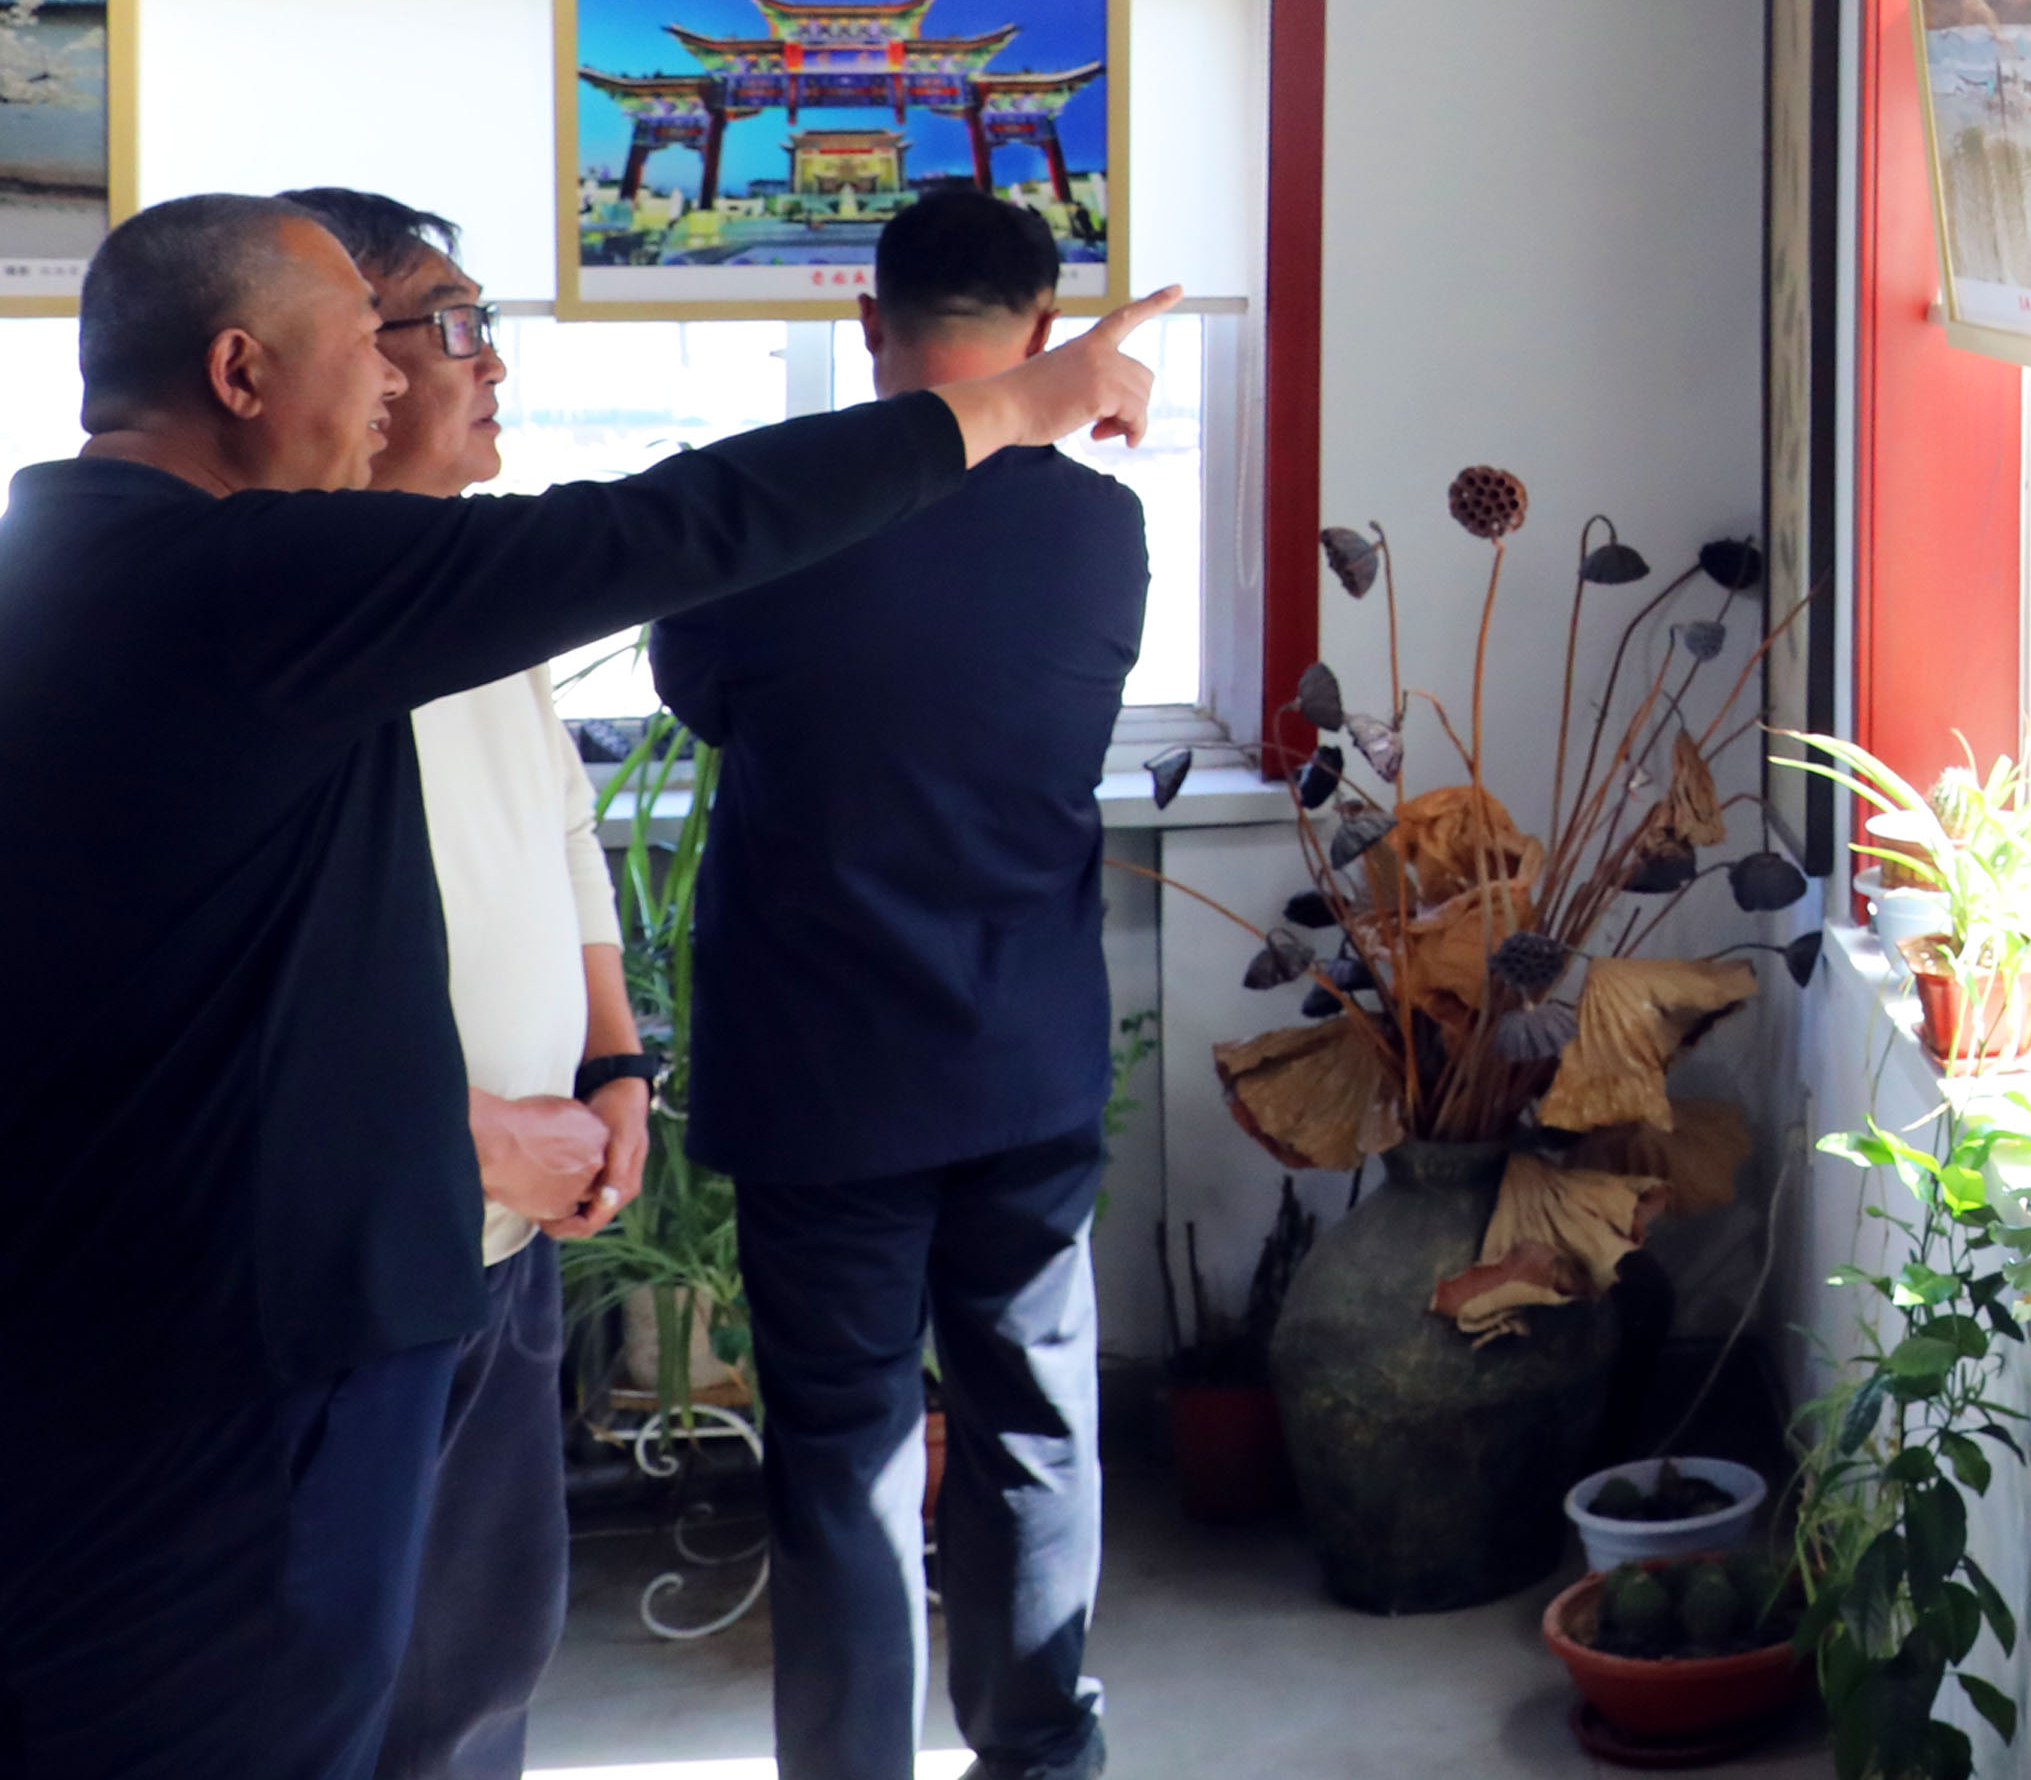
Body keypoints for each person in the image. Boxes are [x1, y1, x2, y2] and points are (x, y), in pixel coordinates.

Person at [0, 191, 1174, 1780]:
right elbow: (667, 528)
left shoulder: (102, 560)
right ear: (238, 371)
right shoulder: (247, 580)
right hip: (255, 1345)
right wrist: (1027, 408)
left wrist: (603, 1064)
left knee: (489, 1656)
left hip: (373, 1256)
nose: (407, 380)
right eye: (386, 344)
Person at [652, 189, 1150, 1780]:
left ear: (868, 322)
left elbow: (707, 698)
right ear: (1046, 333)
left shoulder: (762, 509)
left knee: (845, 1454)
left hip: (819, 1071)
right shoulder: (1099, 528)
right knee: (1035, 1426)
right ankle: (1041, 1756)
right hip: (1023, 1055)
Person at [277, 189, 646, 1780]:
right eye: (454, 326)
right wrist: (477, 1136)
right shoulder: (284, 615)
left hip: (513, 1230)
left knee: (488, 1651)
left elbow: (561, 826)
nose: (492, 364)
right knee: (343, 1682)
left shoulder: (478, 584)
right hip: (369, 1235)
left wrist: (618, 1069)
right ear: (335, 360)